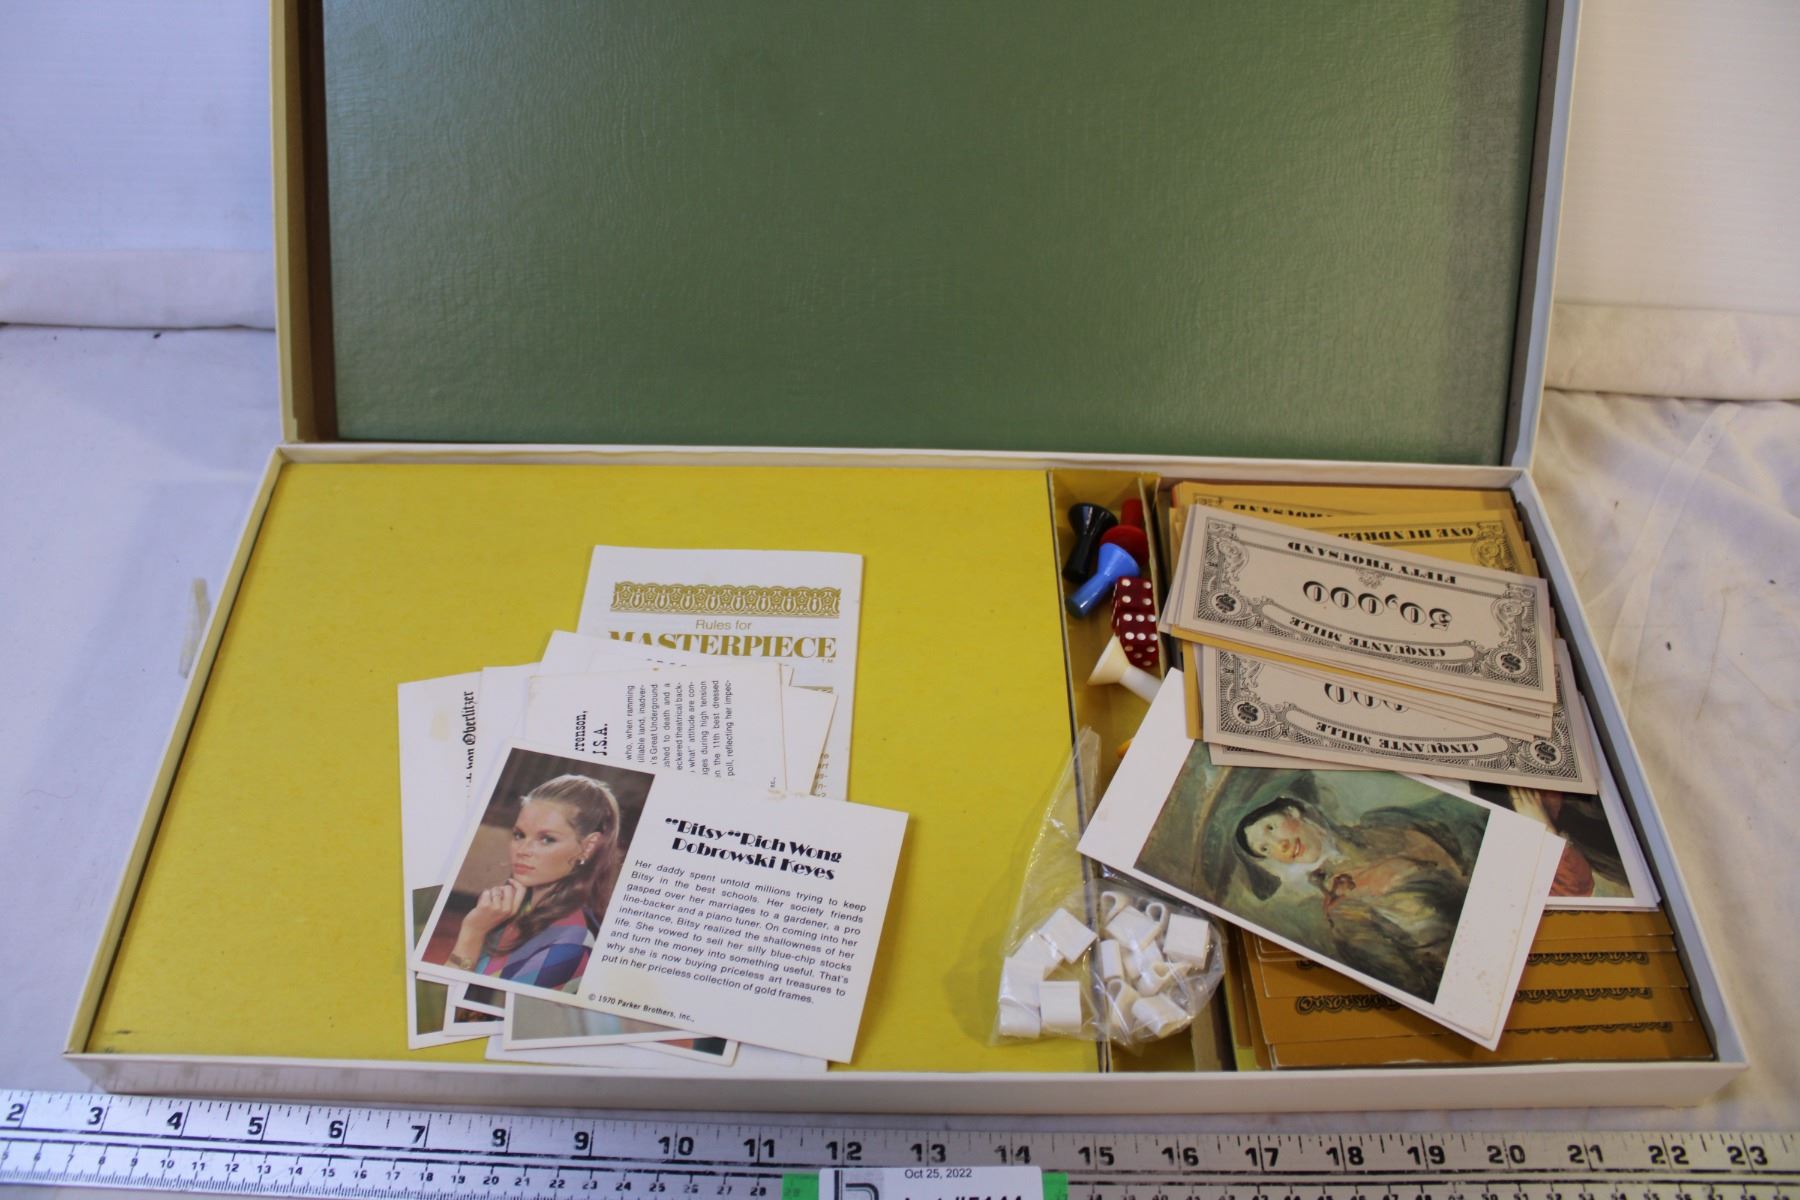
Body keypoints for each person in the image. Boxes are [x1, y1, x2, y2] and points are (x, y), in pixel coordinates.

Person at [1233, 793, 1480, 1002]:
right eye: (1265, 848)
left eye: (1271, 828)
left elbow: (1465, 826)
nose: (1280, 845)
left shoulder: (1382, 822)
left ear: (1291, 812)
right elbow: (1418, 986)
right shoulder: (1345, 915)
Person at [443, 773, 624, 992]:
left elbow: (456, 1006)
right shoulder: (508, 912)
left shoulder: (569, 945)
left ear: (587, 847)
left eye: (547, 839)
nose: (523, 850)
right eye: (519, 835)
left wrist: (472, 933)